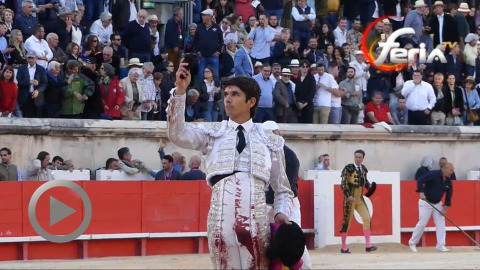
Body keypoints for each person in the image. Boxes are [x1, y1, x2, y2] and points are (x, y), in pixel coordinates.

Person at [167, 60, 293, 269]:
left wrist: (281, 212)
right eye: (225, 94)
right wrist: (180, 91)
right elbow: (177, 134)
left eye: (235, 94)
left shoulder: (269, 139)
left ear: (251, 102)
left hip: (257, 222)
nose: (227, 99)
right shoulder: (213, 132)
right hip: (220, 222)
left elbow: (282, 190)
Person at [262, 120, 312, 269]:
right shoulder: (264, 153)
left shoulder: (289, 156)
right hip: (268, 204)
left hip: (286, 203)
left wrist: (275, 206)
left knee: (294, 240)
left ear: (278, 134)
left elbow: (286, 188)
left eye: (273, 134)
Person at [409, 163, 454, 253]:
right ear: (444, 169)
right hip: (426, 202)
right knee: (422, 223)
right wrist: (421, 192)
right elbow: (420, 180)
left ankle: (440, 245)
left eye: (452, 171)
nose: (451, 173)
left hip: (437, 204)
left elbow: (449, 195)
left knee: (441, 224)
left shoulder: (448, 181)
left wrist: (445, 209)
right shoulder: (434, 174)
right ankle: (412, 242)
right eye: (450, 170)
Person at [339, 150, 377, 254]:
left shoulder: (363, 169)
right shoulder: (348, 168)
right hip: (350, 199)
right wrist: (348, 196)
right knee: (347, 222)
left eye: (360, 157)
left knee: (366, 218)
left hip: (359, 199)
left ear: (363, 158)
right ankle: (343, 247)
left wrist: (370, 187)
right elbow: (344, 183)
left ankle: (368, 246)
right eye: (356, 157)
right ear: (354, 157)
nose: (358, 159)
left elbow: (364, 181)